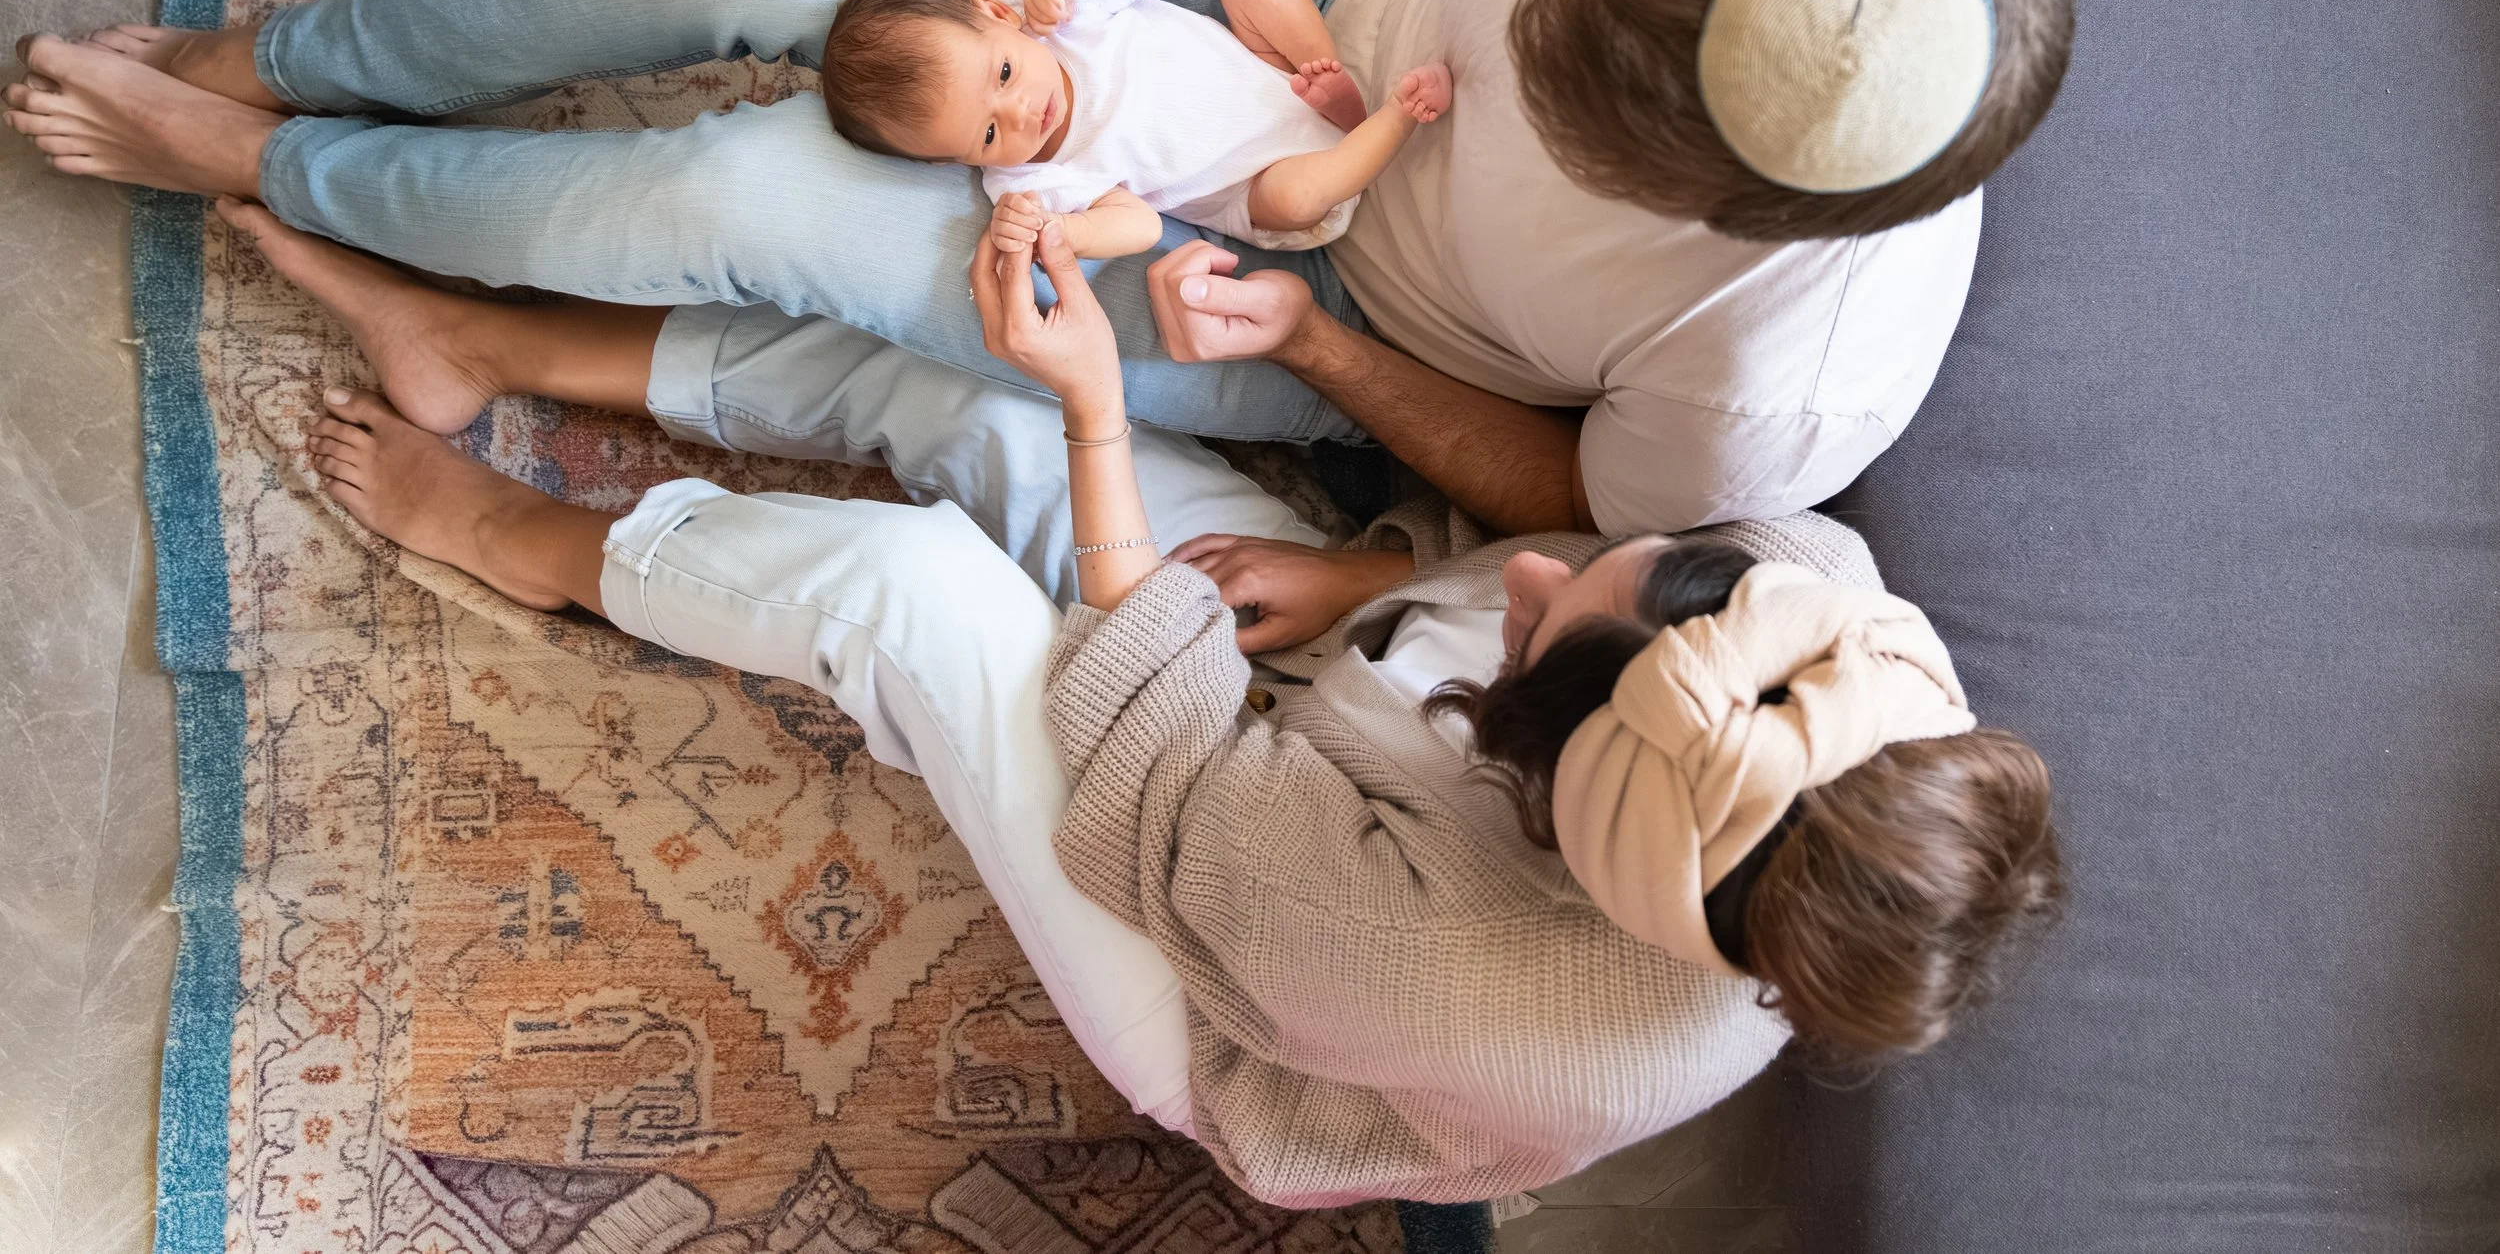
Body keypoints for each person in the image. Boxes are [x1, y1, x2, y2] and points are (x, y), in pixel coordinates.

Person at [6, 0, 2075, 548]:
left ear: (1757, 221)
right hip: (1314, 0)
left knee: (740, 190)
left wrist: (1331, 344)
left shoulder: (1797, 373)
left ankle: (264, 161)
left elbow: (1559, 494)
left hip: (1290, 292)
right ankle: (288, 57)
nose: (1520, 99)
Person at [276, 207, 2064, 1206]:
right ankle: (496, 346)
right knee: (980, 407)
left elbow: (1168, 793)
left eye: (1537, 640)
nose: (1521, 572)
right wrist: (1377, 591)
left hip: (1238, 980)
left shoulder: (1427, 960)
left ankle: (522, 537)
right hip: (1362, 740)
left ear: (1544, 772)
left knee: (923, 593)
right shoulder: (1829, 623)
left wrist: (1103, 425)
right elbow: (1551, 565)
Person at [818, 0, 1450, 258]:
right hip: (1255, 181)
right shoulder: (1032, 182)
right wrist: (1058, 232)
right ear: (949, 163)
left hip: (1272, 74)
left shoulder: (1054, 8)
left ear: (995, 13)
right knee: (1294, 199)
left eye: (1005, 73)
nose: (1017, 114)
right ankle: (1394, 119)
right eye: (985, 136)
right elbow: (1142, 226)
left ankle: (1330, 83)